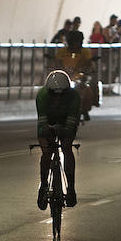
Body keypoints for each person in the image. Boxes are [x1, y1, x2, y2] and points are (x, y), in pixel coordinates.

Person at [35, 70, 80, 209]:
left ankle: (71, 188)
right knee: (47, 151)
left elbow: (72, 122)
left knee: (66, 147)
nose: (58, 99)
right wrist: (47, 132)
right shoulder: (42, 96)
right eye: (54, 95)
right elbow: (42, 123)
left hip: (66, 120)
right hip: (48, 120)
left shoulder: (74, 97)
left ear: (68, 91)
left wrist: (65, 131)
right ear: (48, 91)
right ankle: (43, 185)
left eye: (62, 95)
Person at [52, 29, 94, 121]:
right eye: (73, 41)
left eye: (77, 41)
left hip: (79, 76)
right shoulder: (62, 51)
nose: (75, 44)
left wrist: (88, 69)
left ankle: (85, 108)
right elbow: (57, 62)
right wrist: (55, 69)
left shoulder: (85, 52)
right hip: (65, 76)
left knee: (90, 87)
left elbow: (89, 64)